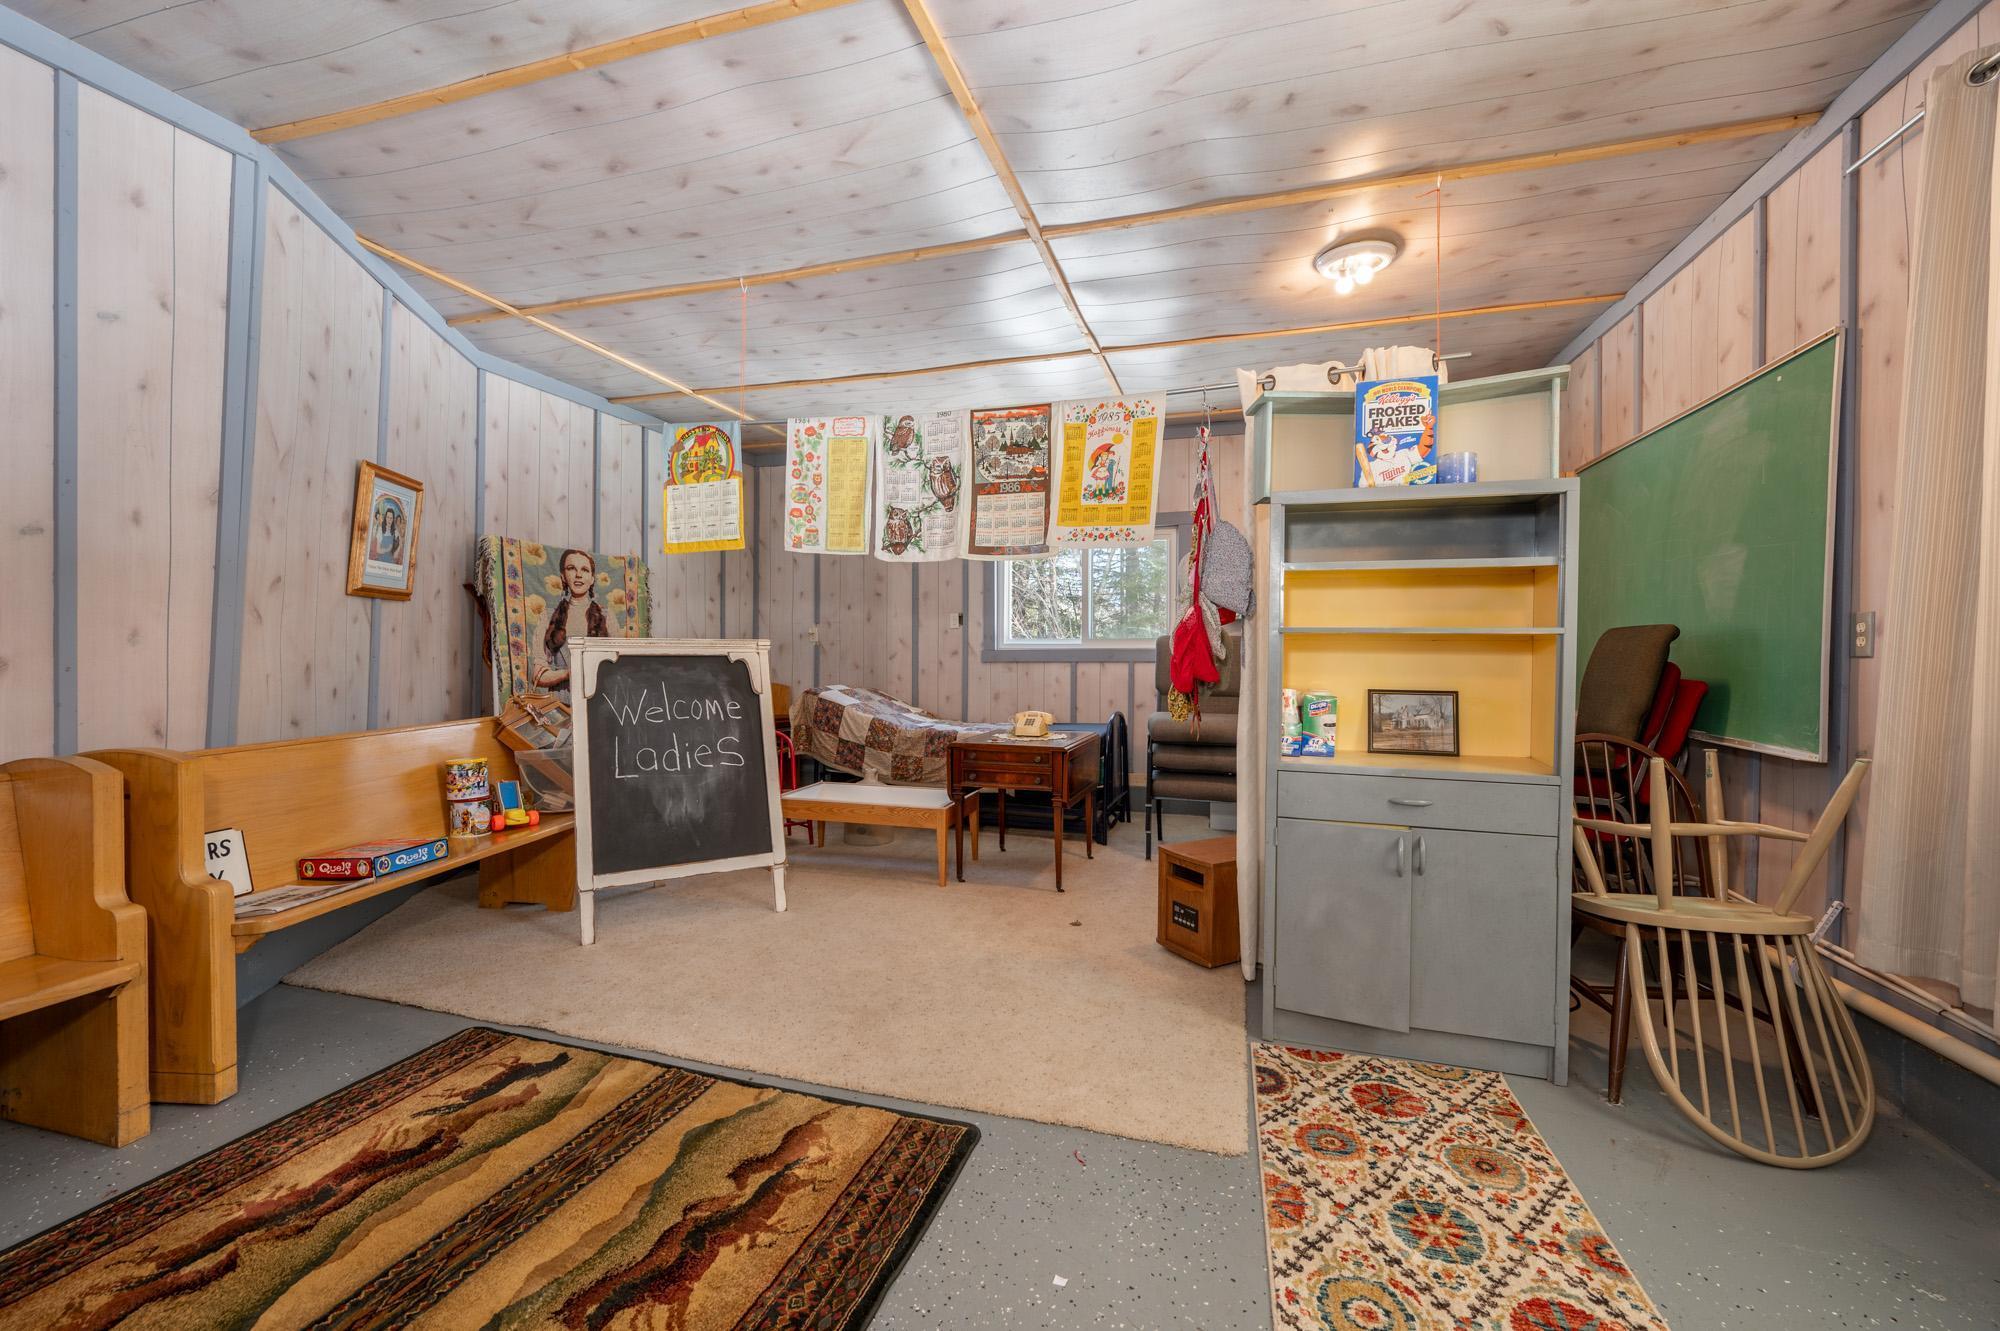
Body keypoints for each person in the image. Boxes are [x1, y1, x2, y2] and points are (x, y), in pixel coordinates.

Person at [531, 548, 608, 695]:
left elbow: (617, 667)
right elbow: (537, 676)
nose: (578, 575)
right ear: (563, 576)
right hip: (560, 704)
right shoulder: (547, 617)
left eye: (585, 570)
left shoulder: (607, 617)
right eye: (571, 568)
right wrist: (568, 673)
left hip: (597, 700)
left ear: (592, 579)